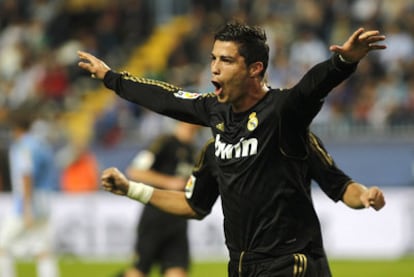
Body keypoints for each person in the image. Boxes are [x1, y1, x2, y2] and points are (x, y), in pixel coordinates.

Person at [79, 22, 386, 276]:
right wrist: (130, 188)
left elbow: (312, 89)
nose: (214, 69)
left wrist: (343, 62)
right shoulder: (217, 135)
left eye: (225, 61)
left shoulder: (283, 115)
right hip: (241, 267)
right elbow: (192, 203)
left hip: (291, 264)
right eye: (213, 59)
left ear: (255, 68)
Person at [119, 121, 200, 277]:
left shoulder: (194, 150)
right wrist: (168, 182)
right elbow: (135, 171)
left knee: (177, 272)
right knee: (139, 270)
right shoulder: (163, 143)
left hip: (178, 217)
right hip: (155, 216)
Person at [0, 107, 60, 277]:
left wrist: (26, 208)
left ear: (15, 129)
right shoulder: (41, 143)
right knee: (43, 249)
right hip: (44, 200)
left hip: (28, 202)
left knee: (2, 245)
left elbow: (26, 175)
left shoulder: (24, 147)